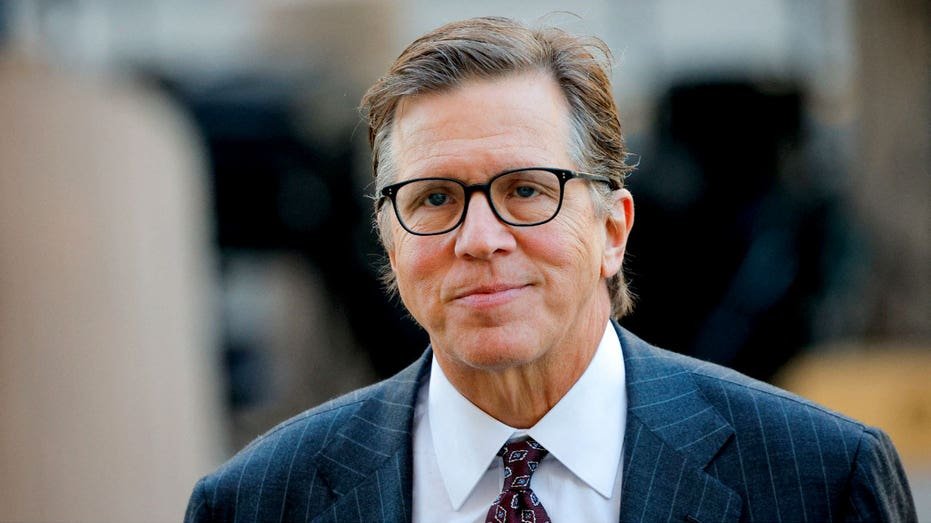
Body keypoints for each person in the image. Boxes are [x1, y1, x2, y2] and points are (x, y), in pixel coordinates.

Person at [185, 16, 916, 522]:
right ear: (390, 240)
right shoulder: (257, 501)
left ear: (612, 230)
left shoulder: (816, 478)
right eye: (434, 197)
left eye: (525, 191)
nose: (479, 237)